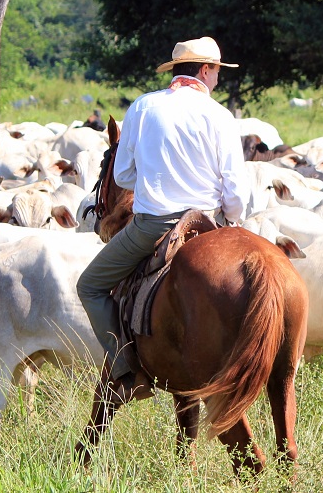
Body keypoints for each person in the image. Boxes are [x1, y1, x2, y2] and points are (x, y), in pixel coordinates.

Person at [76, 36, 251, 401]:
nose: (218, 77)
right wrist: (230, 220)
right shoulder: (220, 115)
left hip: (154, 226)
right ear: (205, 70)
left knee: (90, 286)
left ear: (177, 71)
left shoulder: (143, 107)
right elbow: (235, 191)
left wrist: (157, 175)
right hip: (209, 225)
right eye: (217, 70)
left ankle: (127, 371)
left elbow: (123, 175)